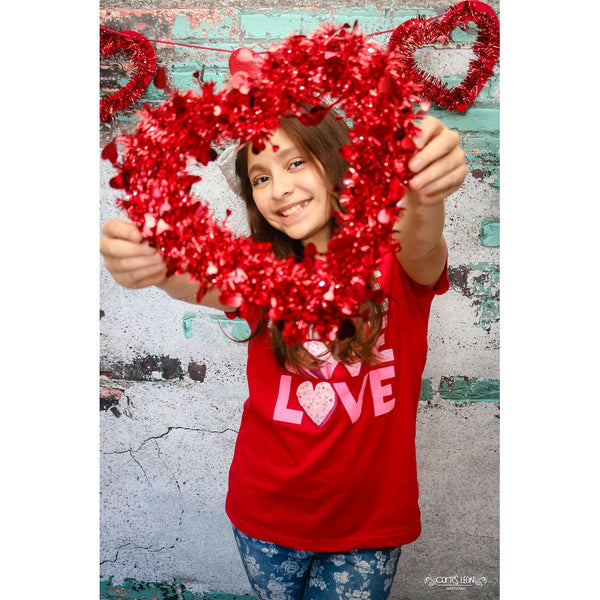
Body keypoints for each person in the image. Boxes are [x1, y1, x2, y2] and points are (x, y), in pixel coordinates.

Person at [100, 108, 467, 599]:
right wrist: (153, 264)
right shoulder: (260, 272)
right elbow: (190, 279)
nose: (277, 189)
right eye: (260, 176)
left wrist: (424, 192)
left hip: (367, 525)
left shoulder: (396, 260)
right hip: (263, 514)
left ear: (340, 162)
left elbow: (422, 237)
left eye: (295, 164)